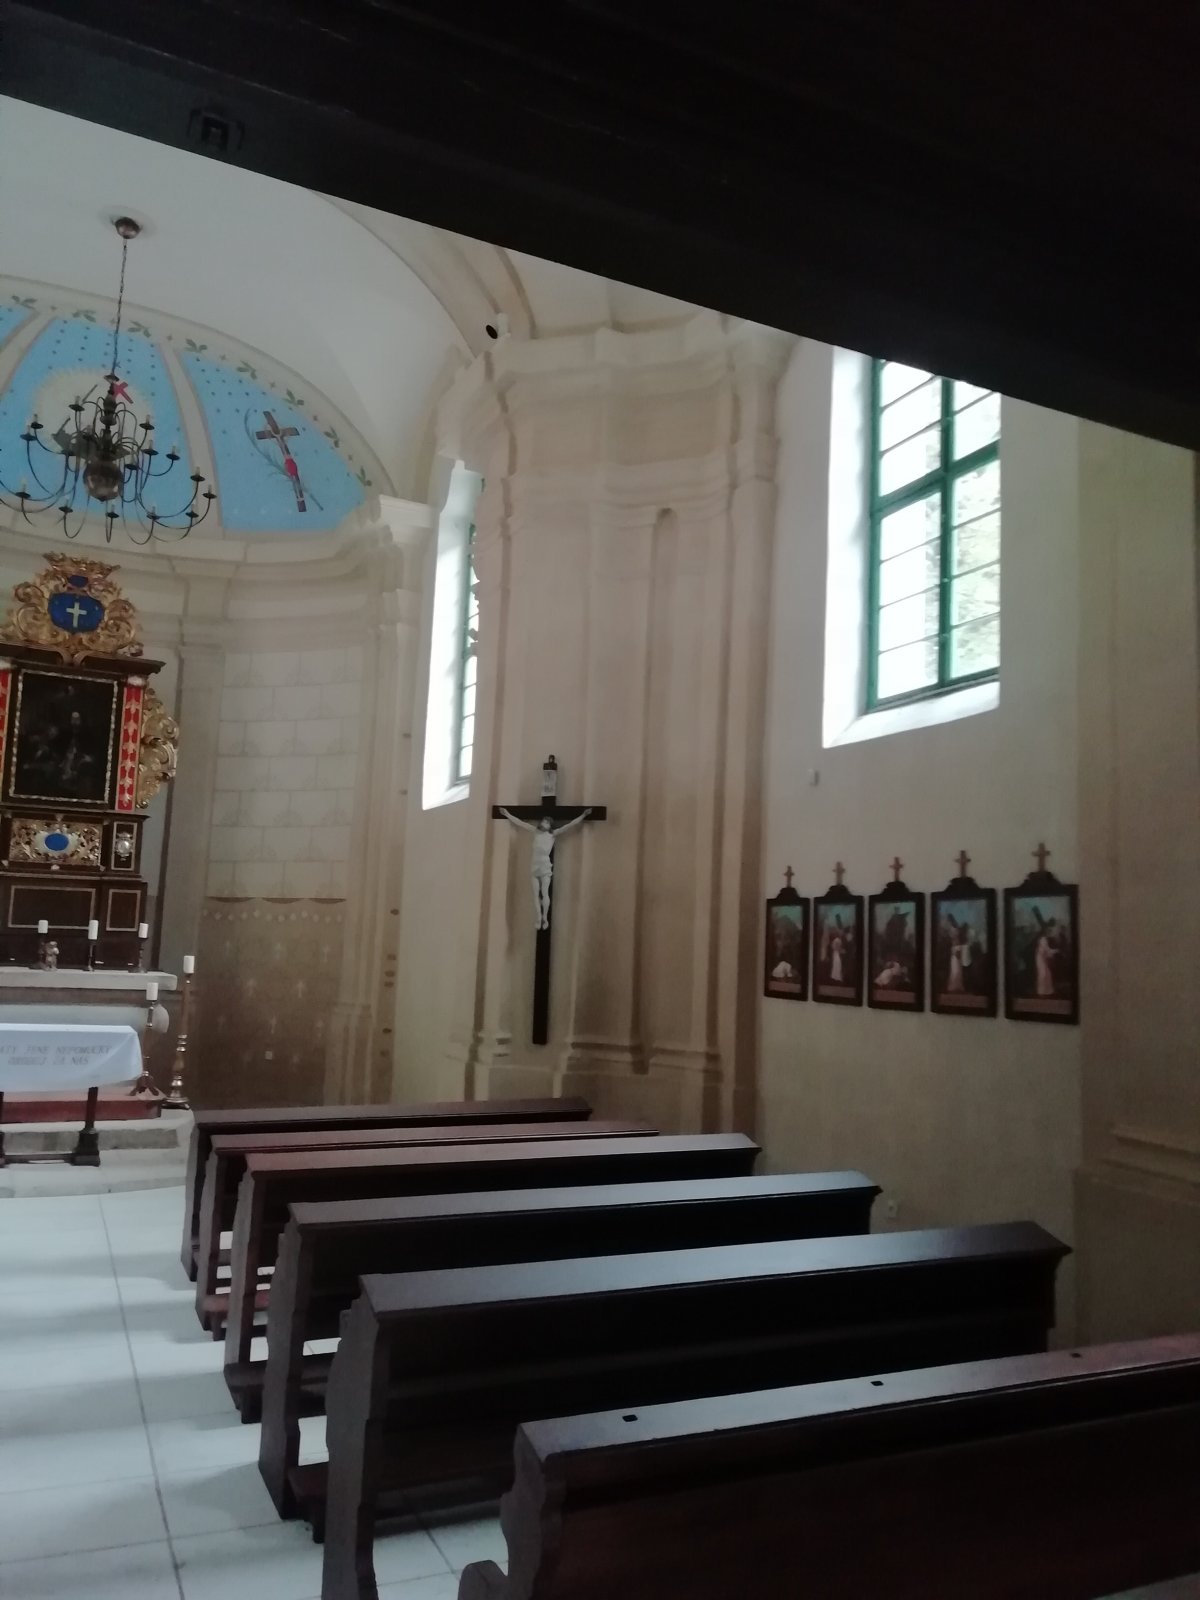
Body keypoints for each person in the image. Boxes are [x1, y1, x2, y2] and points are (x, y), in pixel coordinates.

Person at [498, 807, 593, 930]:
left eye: (547, 822)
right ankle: (538, 917)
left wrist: (583, 815)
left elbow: (570, 825)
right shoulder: (535, 831)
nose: (544, 823)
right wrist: (507, 814)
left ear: (550, 826)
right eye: (543, 821)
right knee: (535, 894)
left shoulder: (553, 834)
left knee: (544, 892)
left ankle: (545, 917)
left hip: (544, 865)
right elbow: (520, 823)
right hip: (534, 864)